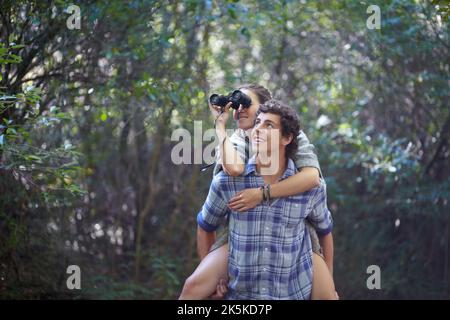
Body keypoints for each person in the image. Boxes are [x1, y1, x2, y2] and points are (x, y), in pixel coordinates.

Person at [179, 85, 336, 299]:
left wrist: (261, 194)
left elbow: (311, 179)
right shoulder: (236, 140)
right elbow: (232, 172)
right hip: (240, 239)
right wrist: (220, 126)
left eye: (246, 103)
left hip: (296, 241)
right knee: (194, 287)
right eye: (236, 105)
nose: (239, 109)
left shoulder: (296, 138)